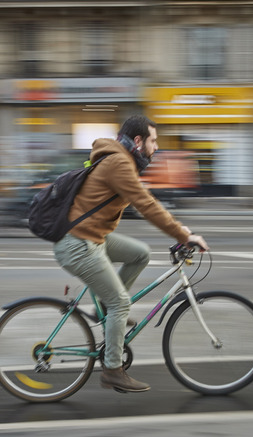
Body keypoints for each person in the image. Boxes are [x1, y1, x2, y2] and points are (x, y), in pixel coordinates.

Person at [53, 115, 209, 393]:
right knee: (121, 303)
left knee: (140, 253)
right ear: (138, 141)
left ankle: (105, 306)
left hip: (91, 236)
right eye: (153, 140)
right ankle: (113, 370)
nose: (157, 147)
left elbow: (146, 201)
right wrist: (183, 236)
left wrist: (179, 229)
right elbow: (146, 205)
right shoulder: (118, 162)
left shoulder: (119, 159)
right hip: (78, 243)